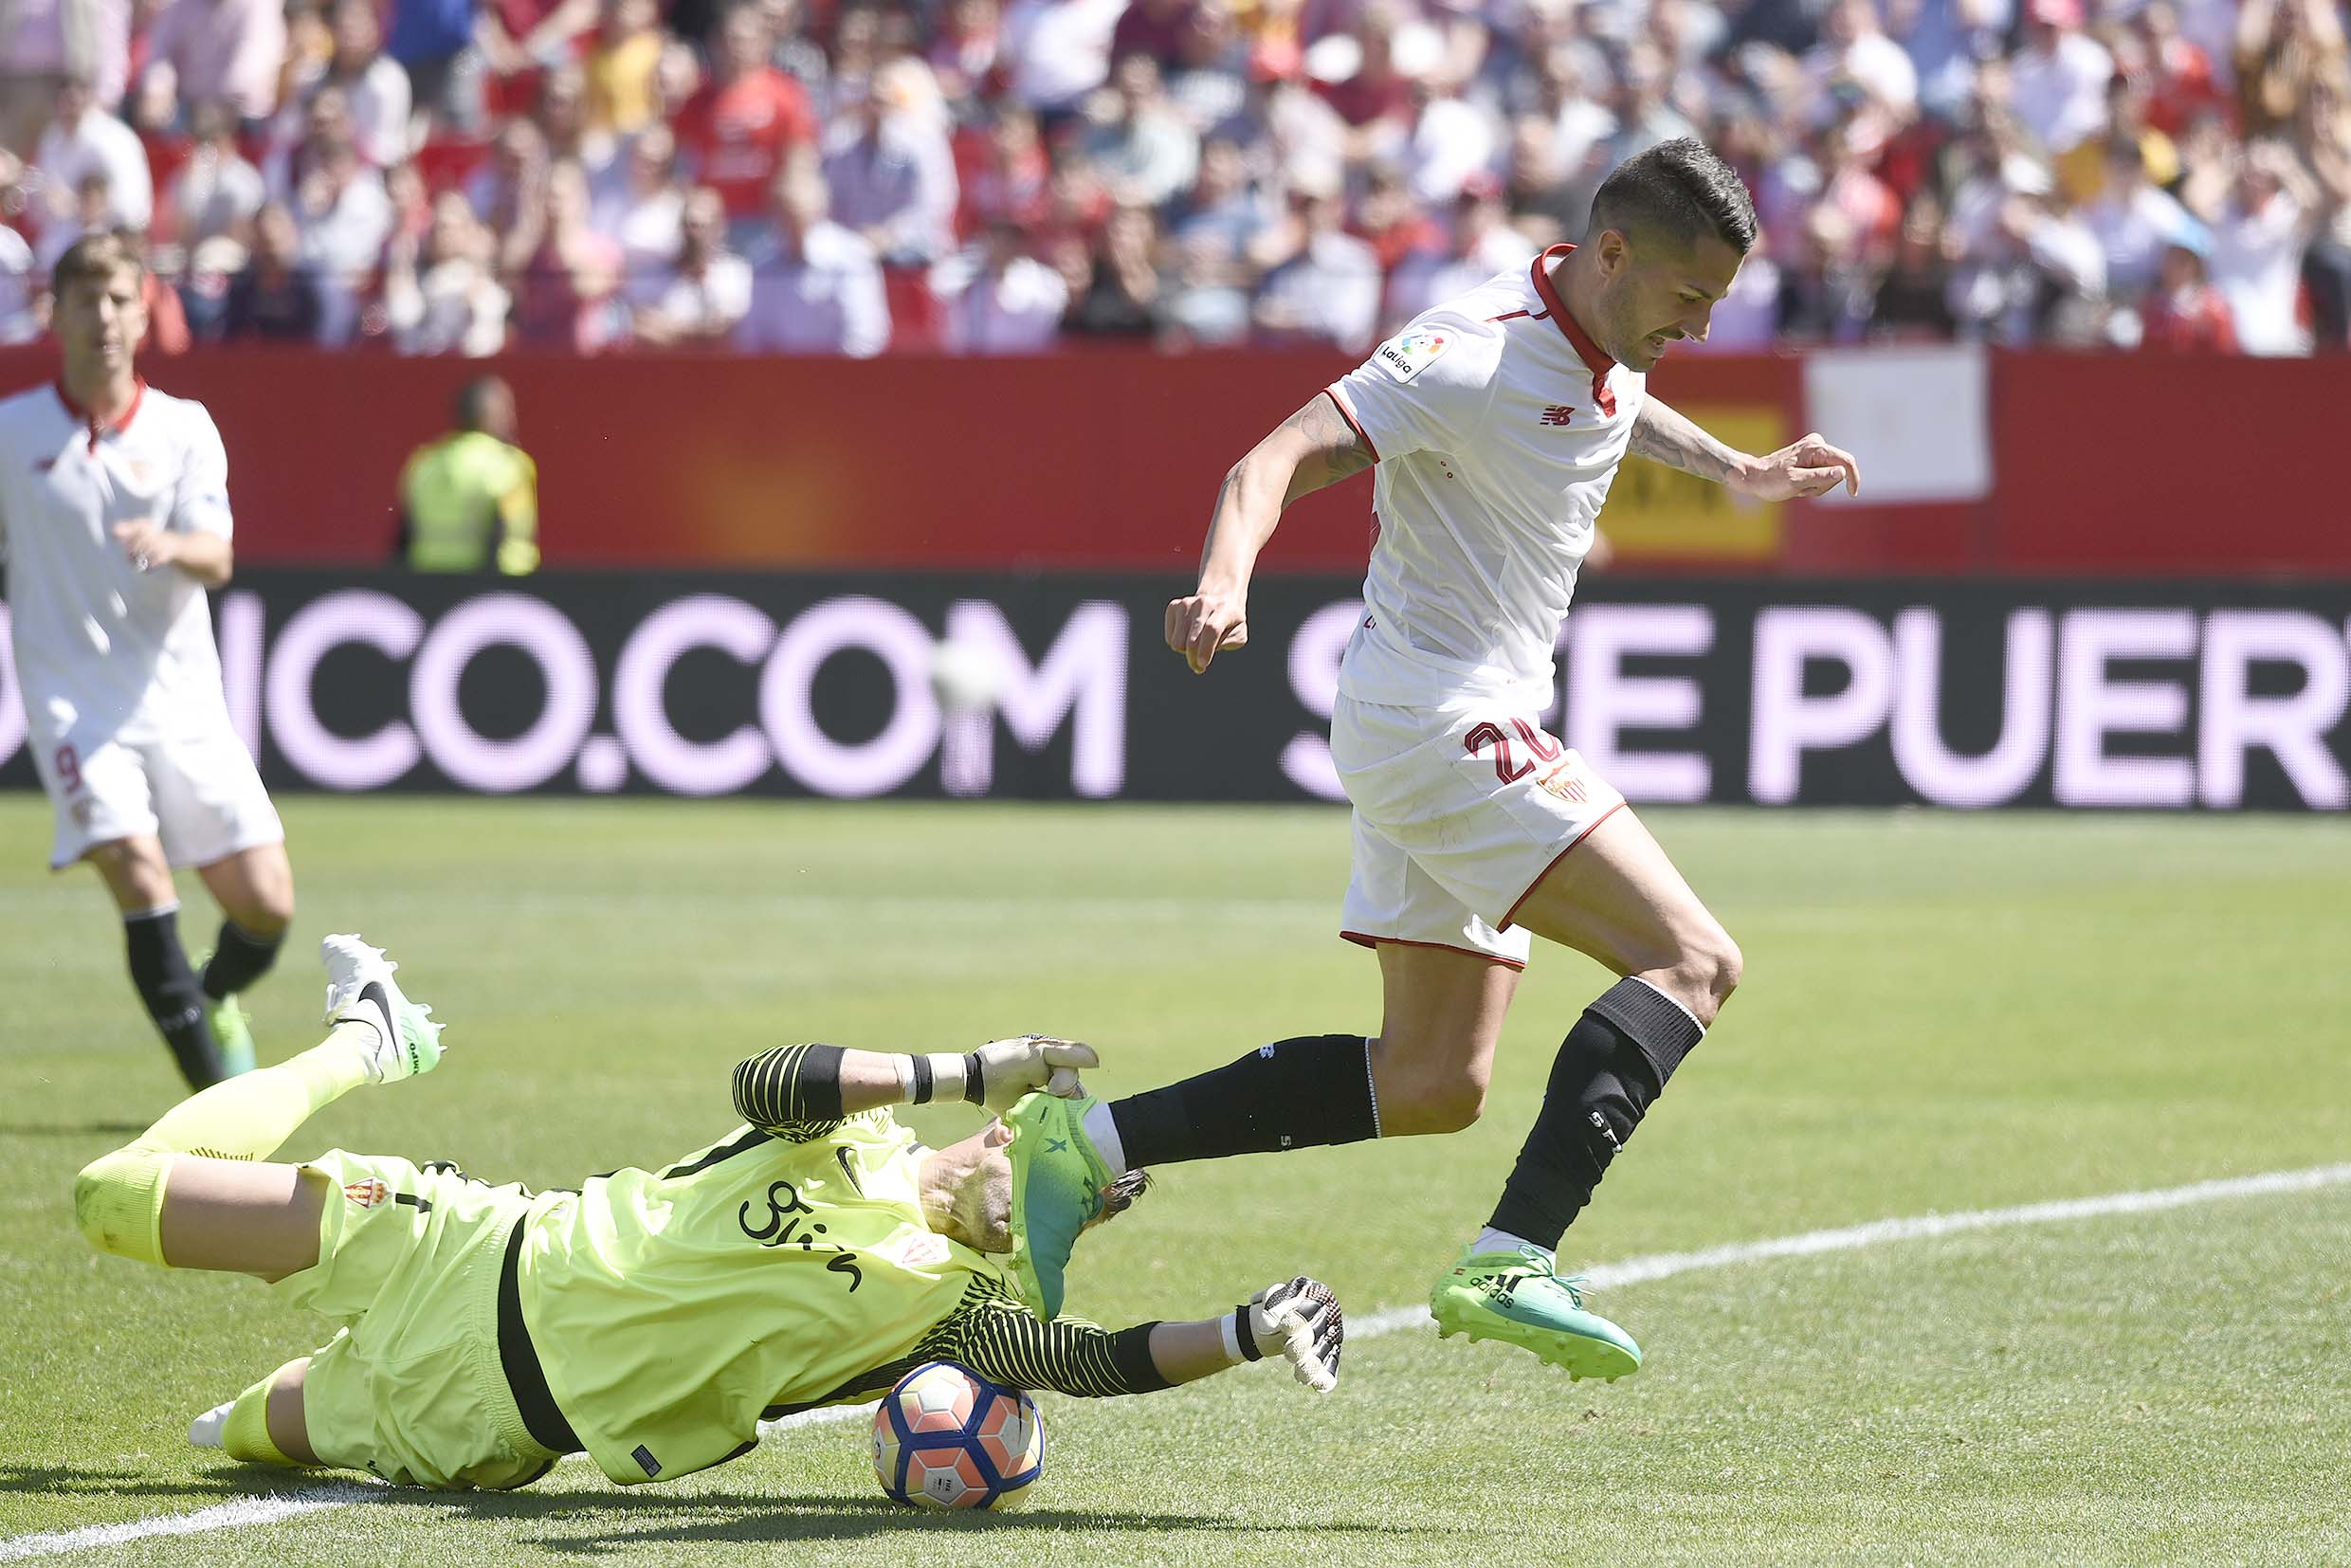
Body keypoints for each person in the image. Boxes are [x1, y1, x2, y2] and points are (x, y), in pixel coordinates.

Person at [1013, 139, 1861, 1380]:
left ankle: (1082, 1144)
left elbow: (1613, 403)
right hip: (1443, 718)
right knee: (1695, 958)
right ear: (1610, 251)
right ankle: (1513, 1255)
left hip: (1427, 716)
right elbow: (1274, 458)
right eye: (1690, 298)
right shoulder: (1467, 347)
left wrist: (1735, 467)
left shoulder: (1605, 340)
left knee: (1429, 1080)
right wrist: (1224, 581)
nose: (1699, 324)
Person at [71, 937, 1347, 1491]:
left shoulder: (948, 1309)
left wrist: (1248, 1324)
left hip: (488, 1426)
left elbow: (1089, 1361)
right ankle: (367, 1040)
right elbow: (765, 1078)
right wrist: (964, 1061)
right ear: (1010, 1128)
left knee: (236, 1434)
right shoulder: (861, 1124)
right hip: (462, 1245)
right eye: (1077, 1179)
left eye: (1090, 1215)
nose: (1069, 1213)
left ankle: (306, 1392)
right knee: (110, 1200)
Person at [0, 231, 295, 1090]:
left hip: (181, 702)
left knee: (266, 905)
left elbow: (218, 556)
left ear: (144, 312)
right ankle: (219, 1109)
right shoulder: (12, 433)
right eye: (86, 299)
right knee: (138, 870)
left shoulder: (183, 430)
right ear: (55, 314)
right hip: (74, 708)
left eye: (121, 299)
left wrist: (170, 543)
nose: (105, 317)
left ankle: (211, 997)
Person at [396, 376, 540, 574]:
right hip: (492, 592)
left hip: (427, 583)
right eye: (506, 410)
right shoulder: (507, 465)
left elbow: (403, 536)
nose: (512, 418)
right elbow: (507, 540)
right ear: (488, 415)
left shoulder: (425, 462)